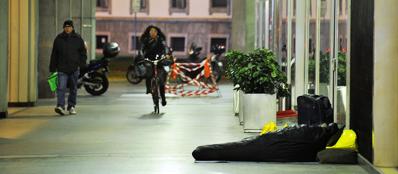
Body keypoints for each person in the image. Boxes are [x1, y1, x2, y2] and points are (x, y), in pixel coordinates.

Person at [49, 19, 87, 115]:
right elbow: (54, 54)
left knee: (73, 89)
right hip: (62, 68)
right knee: (61, 88)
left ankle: (71, 106)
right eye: (66, 27)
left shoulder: (78, 39)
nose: (67, 28)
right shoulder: (58, 39)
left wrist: (81, 65)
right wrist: (52, 68)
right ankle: (60, 106)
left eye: (69, 27)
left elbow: (83, 53)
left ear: (72, 28)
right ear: (64, 28)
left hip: (74, 68)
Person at [139, 25, 169, 106]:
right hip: (149, 59)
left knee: (161, 80)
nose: (153, 33)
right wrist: (142, 55)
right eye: (151, 31)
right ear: (148, 32)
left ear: (157, 32)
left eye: (155, 31)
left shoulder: (160, 40)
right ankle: (149, 88)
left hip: (159, 59)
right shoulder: (146, 40)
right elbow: (141, 49)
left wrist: (166, 55)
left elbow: (165, 48)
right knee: (148, 72)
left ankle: (163, 98)